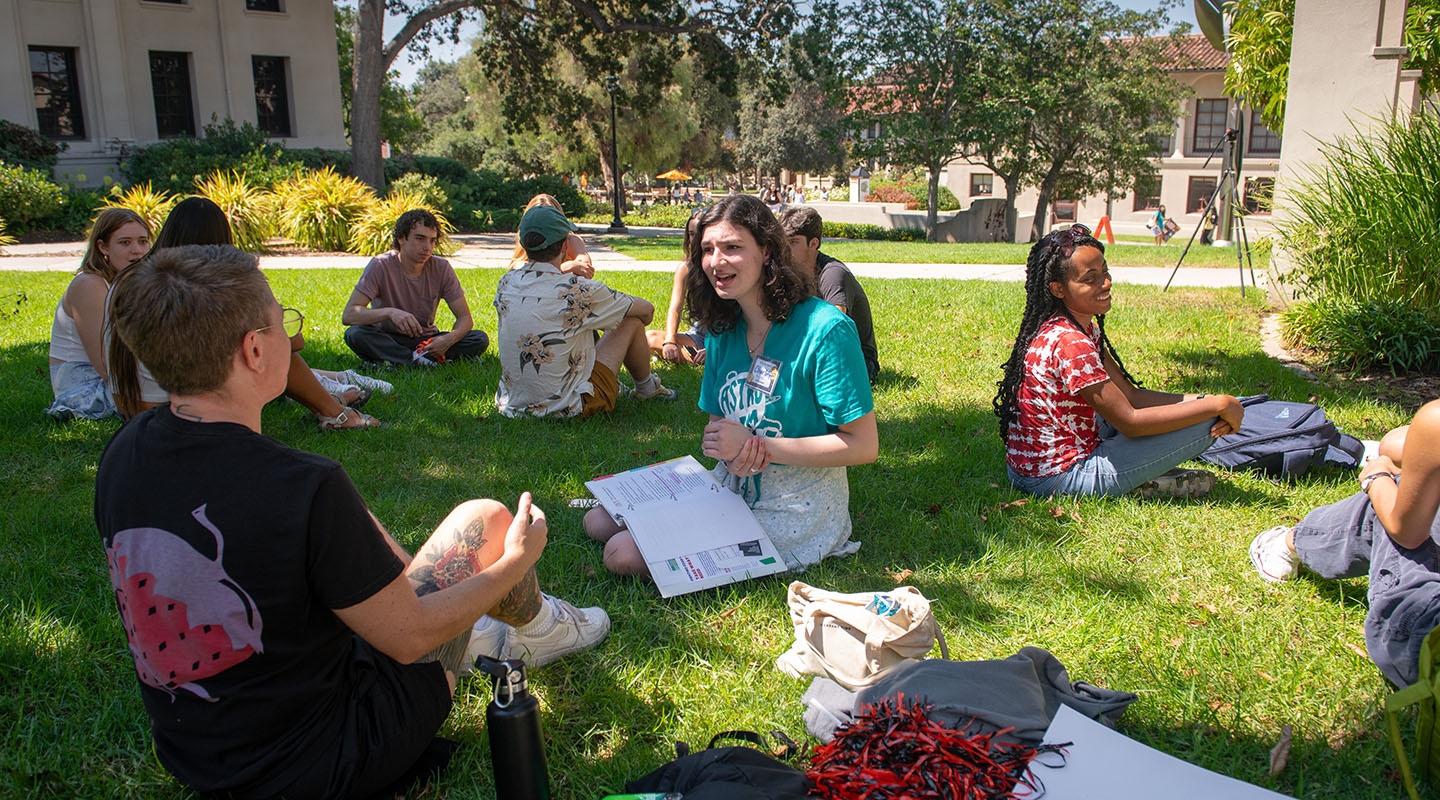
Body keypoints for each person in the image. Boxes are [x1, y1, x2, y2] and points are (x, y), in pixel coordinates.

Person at [97, 244, 609, 799]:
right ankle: (537, 629)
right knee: (486, 520)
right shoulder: (300, 484)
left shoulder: (124, 452)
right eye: (282, 324)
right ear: (253, 350)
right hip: (331, 756)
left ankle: (493, 627)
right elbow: (409, 639)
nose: (291, 338)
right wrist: (515, 564)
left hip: (198, 752)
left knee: (423, 540)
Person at [585, 195, 878, 575]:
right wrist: (724, 444)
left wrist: (759, 447)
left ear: (768, 252)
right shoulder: (724, 328)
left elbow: (864, 445)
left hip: (799, 500)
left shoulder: (825, 330)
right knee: (598, 520)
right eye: (707, 249)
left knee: (621, 554)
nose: (716, 261)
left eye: (732, 247)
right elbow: (718, 425)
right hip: (733, 483)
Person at [992, 223, 1244, 498]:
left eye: (1105, 272)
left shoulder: (1075, 327)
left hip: (1029, 469)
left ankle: (1142, 474)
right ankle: (1139, 481)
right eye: (1091, 278)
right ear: (1058, 289)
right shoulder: (1071, 343)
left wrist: (1200, 399)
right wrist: (1217, 406)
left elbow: (1130, 395)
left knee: (1200, 410)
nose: (1107, 282)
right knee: (1206, 422)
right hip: (1058, 479)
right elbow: (1130, 422)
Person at [110, 197, 385, 429]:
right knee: (272, 346)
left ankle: (331, 401)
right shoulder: (225, 282)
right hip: (191, 413)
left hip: (132, 407)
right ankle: (334, 411)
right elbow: (291, 340)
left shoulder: (127, 280)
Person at [1249, 400, 1440, 688]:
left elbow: (1407, 532)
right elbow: (1399, 444)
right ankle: (1293, 542)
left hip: (1427, 643)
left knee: (1394, 500)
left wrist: (1376, 477)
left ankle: (1291, 542)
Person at [495, 204, 676, 418]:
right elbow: (646, 310)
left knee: (582, 328)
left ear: (524, 244)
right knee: (630, 319)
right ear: (564, 245)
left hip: (513, 406)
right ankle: (647, 389)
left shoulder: (507, 282)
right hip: (569, 408)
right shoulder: (577, 291)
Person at [343, 209, 489, 367]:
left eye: (432, 241)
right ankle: (422, 361)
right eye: (420, 239)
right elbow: (350, 315)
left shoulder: (442, 267)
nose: (427, 247)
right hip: (387, 337)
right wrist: (390, 313)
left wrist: (448, 340)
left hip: (426, 340)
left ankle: (399, 361)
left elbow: (465, 318)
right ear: (401, 238)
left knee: (479, 338)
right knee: (355, 334)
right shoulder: (380, 265)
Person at [45, 208, 151, 420]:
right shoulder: (90, 285)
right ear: (103, 247)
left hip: (116, 376)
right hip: (85, 385)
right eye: (125, 242)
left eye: (143, 241)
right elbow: (106, 365)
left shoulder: (129, 283)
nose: (137, 251)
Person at [778, 206, 880, 383]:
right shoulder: (789, 273)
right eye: (783, 242)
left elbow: (833, 331)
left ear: (814, 243)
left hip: (855, 360)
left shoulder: (833, 273)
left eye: (793, 242)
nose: (786, 249)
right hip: (810, 352)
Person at [646, 208, 708, 366]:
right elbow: (675, 308)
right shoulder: (686, 268)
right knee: (649, 338)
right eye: (692, 234)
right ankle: (698, 357)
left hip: (728, 337)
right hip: (699, 335)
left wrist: (715, 348)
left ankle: (711, 357)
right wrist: (670, 341)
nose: (695, 239)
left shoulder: (723, 266)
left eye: (700, 233)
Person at [506, 194, 593, 278]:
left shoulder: (571, 240)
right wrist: (569, 267)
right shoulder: (526, 244)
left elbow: (586, 268)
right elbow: (520, 269)